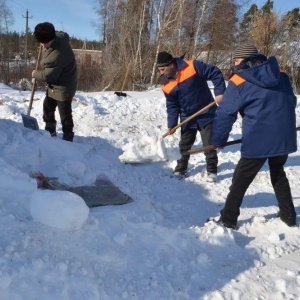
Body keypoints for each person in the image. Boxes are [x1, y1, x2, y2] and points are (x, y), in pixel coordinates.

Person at [211, 44, 297, 229]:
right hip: (284, 136)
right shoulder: (281, 75)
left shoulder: (239, 80)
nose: (234, 64)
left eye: (236, 60)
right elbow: (292, 100)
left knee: (241, 178)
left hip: (258, 138)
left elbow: (225, 113)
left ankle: (228, 218)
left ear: (247, 60)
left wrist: (218, 140)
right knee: (278, 173)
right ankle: (289, 216)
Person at [157, 51, 226, 182]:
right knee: (184, 145)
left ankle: (212, 170)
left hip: (206, 113)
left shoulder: (192, 66)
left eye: (162, 69)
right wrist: (171, 124)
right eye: (159, 70)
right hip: (187, 117)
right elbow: (172, 106)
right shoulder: (166, 84)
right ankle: (181, 168)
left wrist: (220, 92)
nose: (161, 73)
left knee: (209, 144)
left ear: (171, 65)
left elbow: (215, 72)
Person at [32, 22, 77, 142]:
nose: (42, 45)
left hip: (64, 86)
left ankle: (68, 136)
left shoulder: (57, 54)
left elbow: (49, 75)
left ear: (49, 40)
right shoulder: (57, 37)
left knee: (65, 113)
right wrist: (45, 44)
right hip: (55, 84)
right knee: (48, 106)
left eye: (43, 43)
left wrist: (35, 74)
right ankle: (50, 129)